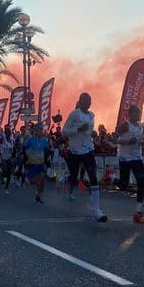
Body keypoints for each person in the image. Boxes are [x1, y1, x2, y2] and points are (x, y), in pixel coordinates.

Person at [61, 93, 107, 222]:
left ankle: (96, 210)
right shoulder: (74, 114)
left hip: (88, 150)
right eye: (85, 101)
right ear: (80, 102)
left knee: (93, 177)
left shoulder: (92, 115)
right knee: (74, 178)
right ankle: (67, 178)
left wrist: (91, 134)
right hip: (75, 151)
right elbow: (64, 132)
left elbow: (88, 133)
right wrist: (78, 130)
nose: (88, 103)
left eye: (90, 100)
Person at [115, 105, 144, 223]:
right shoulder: (125, 126)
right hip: (125, 158)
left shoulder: (141, 126)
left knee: (141, 183)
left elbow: (141, 139)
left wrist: (143, 142)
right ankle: (111, 177)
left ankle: (138, 212)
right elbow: (115, 139)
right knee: (123, 186)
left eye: (139, 113)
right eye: (136, 113)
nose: (139, 115)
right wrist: (127, 141)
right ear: (130, 114)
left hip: (137, 157)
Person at [23, 122, 50, 203]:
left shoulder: (44, 140)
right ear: (36, 130)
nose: (41, 131)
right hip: (31, 163)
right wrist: (25, 160)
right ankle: (27, 179)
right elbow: (24, 149)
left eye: (42, 130)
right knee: (33, 182)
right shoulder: (30, 139)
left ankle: (38, 197)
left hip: (40, 163)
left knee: (42, 180)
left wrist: (46, 163)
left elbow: (46, 152)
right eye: (40, 130)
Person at [0, 125, 15, 194]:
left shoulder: (12, 140)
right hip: (3, 158)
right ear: (5, 133)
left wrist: (14, 153)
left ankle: (6, 188)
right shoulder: (3, 139)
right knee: (4, 170)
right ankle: (3, 178)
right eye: (7, 132)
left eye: (10, 132)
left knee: (9, 173)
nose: (9, 133)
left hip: (9, 158)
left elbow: (14, 148)